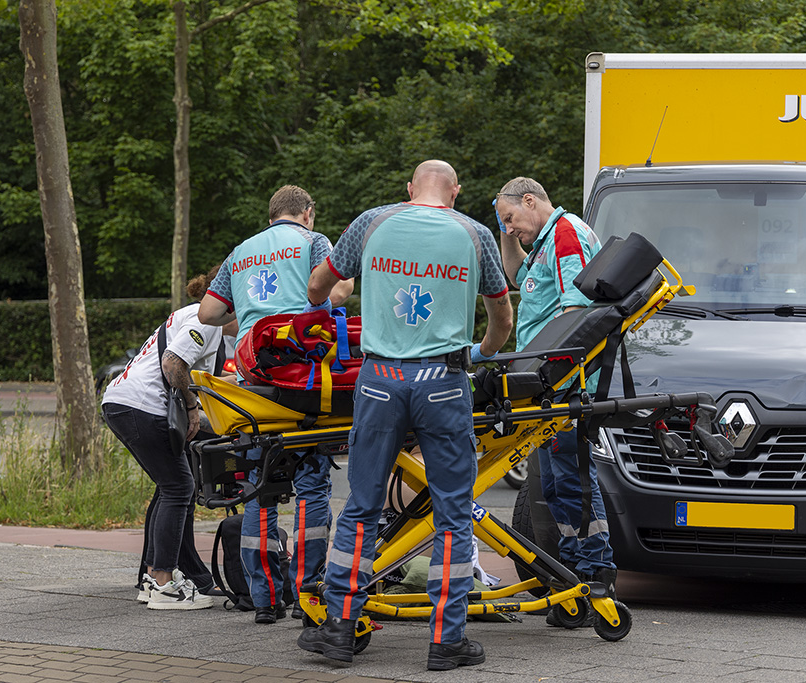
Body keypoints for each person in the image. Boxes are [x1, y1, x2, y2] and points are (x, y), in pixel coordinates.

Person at [297, 160, 513, 670]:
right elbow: (502, 317)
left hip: (379, 381)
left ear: (409, 189)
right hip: (443, 382)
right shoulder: (475, 233)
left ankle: (338, 631)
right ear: (455, 192)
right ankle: (446, 640)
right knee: (453, 515)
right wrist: (476, 353)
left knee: (361, 508)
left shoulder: (371, 222)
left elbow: (316, 288)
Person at [198, 185, 353, 625]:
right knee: (311, 485)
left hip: (252, 381)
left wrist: (249, 314)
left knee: (260, 490)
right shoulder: (313, 241)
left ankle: (265, 601)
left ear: (270, 216)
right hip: (299, 380)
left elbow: (208, 313)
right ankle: (311, 593)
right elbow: (337, 293)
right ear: (308, 213)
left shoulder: (240, 251)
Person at [493, 177, 617, 619]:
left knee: (573, 481)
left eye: (512, 218)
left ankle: (595, 574)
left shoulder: (565, 235)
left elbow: (575, 311)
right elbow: (517, 277)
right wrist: (506, 232)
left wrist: (549, 377)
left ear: (531, 201)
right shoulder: (547, 240)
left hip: (564, 385)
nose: (512, 229)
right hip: (549, 383)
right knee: (560, 483)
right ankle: (575, 579)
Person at [102, 266, 237, 611]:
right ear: (231, 304)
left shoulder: (195, 317)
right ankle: (163, 584)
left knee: (169, 487)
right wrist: (192, 408)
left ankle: (151, 579)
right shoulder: (206, 320)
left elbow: (199, 375)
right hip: (141, 405)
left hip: (123, 401)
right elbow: (173, 364)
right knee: (180, 487)